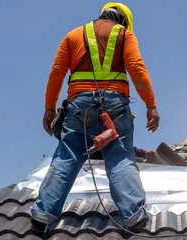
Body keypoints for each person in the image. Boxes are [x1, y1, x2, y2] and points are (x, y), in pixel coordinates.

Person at [30, 2, 160, 234]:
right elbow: (136, 68)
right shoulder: (124, 34)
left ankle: (42, 215)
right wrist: (150, 105)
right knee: (120, 157)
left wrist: (49, 108)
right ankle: (133, 216)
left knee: (66, 156)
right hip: (114, 106)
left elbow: (57, 72)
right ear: (123, 21)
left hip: (78, 106)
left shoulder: (73, 35)